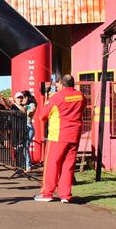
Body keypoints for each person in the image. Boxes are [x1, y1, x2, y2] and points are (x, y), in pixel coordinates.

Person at [35, 74, 84, 204]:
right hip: (74, 134)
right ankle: (65, 195)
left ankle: (47, 193)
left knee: (52, 164)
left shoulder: (56, 97)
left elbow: (42, 116)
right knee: (68, 166)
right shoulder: (80, 96)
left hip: (58, 135)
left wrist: (47, 103)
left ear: (62, 84)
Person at [13, 91, 37, 171]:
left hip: (28, 128)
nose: (21, 99)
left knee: (25, 147)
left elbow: (28, 112)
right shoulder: (24, 105)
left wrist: (16, 103)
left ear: (26, 98)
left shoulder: (31, 105)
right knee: (24, 147)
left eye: (22, 97)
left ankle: (28, 166)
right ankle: (26, 165)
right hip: (25, 128)